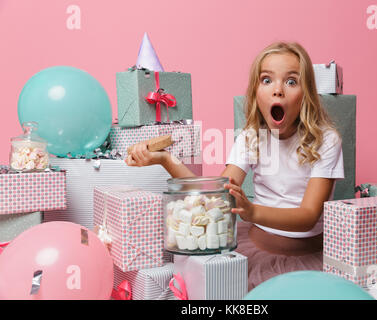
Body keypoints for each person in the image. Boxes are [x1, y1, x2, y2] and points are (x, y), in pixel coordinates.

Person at [126, 42, 344, 291]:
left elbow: (308, 216)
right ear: (255, 93)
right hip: (256, 249)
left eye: (292, 81)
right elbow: (214, 194)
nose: (278, 90)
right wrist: (165, 159)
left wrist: (252, 212)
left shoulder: (326, 140)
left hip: (308, 259)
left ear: (307, 94)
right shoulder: (251, 138)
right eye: (267, 80)